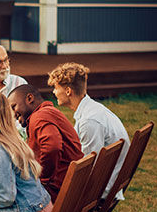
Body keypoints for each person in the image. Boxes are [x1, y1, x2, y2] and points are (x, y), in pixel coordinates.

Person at [48, 63, 130, 200]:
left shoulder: (89, 121)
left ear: (68, 91)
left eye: (56, 88)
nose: (54, 92)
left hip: (100, 188)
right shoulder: (92, 110)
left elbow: (88, 166)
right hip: (110, 179)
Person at [8, 84, 83, 201]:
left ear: (29, 98)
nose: (13, 114)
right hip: (72, 189)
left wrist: (42, 180)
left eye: (13, 107)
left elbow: (52, 147)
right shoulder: (48, 112)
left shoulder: (39, 117)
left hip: (57, 194)